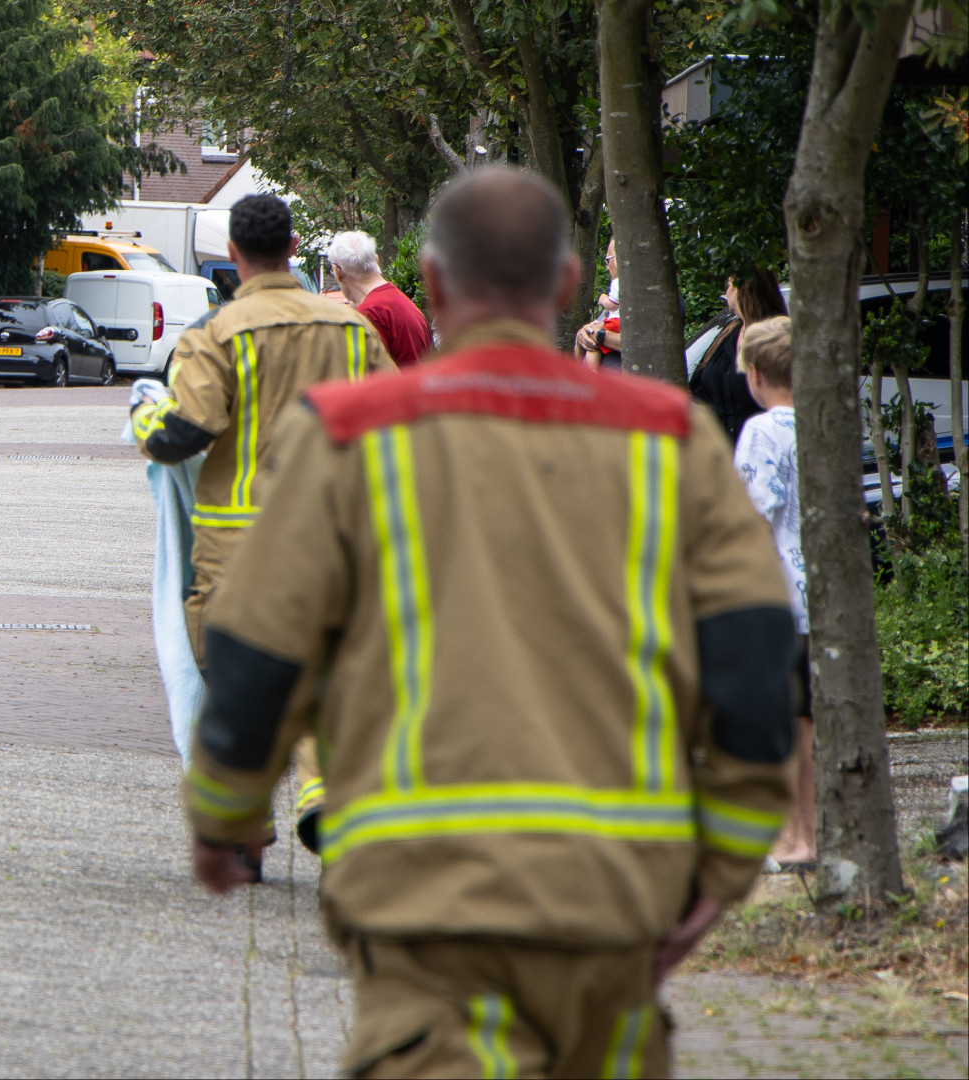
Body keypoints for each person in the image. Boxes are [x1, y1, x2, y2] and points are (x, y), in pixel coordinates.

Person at [181, 166, 797, 1078]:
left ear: (429, 284)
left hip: (426, 894)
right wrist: (726, 865)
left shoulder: (347, 435)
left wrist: (226, 809)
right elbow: (756, 662)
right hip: (612, 894)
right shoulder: (670, 440)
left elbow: (258, 648)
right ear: (566, 285)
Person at [132, 194, 395, 872]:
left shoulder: (216, 336)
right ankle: (321, 789)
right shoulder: (351, 333)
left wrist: (142, 416)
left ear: (232, 255)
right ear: (293, 246)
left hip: (234, 547)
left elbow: (179, 434)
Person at [733, 316, 815, 872]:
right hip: (819, 594)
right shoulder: (820, 424)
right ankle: (806, 832)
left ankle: (788, 838)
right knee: (805, 720)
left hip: (776, 594)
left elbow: (753, 515)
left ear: (757, 373)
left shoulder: (761, 433)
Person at [691, 272, 788, 445]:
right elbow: (700, 387)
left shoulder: (774, 337)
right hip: (721, 446)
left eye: (730, 285)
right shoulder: (727, 333)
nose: (726, 291)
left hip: (760, 445)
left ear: (744, 291)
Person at [328, 230, 433, 366]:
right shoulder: (402, 303)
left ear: (338, 271)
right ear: (376, 260)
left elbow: (366, 376)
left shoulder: (369, 315)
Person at [575, 239, 623, 369]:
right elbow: (595, 329)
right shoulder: (617, 298)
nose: (607, 266)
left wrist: (600, 336)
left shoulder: (651, 300)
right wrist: (582, 335)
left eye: (609, 259)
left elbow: (645, 342)